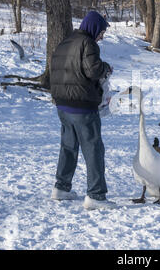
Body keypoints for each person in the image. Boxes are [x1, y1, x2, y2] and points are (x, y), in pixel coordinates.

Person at [49, 11, 116, 210]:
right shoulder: (88, 43)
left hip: (62, 104)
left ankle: (61, 188)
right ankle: (96, 195)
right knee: (93, 149)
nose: (102, 36)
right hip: (82, 106)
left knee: (68, 146)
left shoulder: (65, 42)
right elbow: (93, 70)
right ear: (94, 28)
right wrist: (106, 68)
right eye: (102, 32)